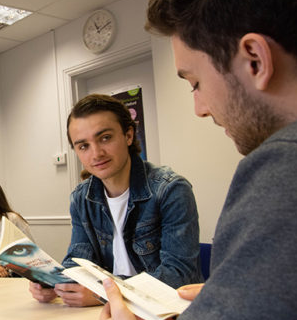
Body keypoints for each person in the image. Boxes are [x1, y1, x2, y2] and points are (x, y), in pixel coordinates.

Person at [96, 0, 297, 320]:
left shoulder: (283, 171)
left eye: (194, 83)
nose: (200, 108)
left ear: (255, 59)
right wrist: (241, 304)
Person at [31, 94, 202, 306]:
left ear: (128, 135)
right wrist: (55, 283)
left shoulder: (170, 190)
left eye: (105, 138)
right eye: (83, 146)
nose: (96, 154)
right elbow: (78, 260)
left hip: (168, 313)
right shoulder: (81, 198)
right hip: (112, 311)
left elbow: (178, 276)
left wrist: (104, 293)